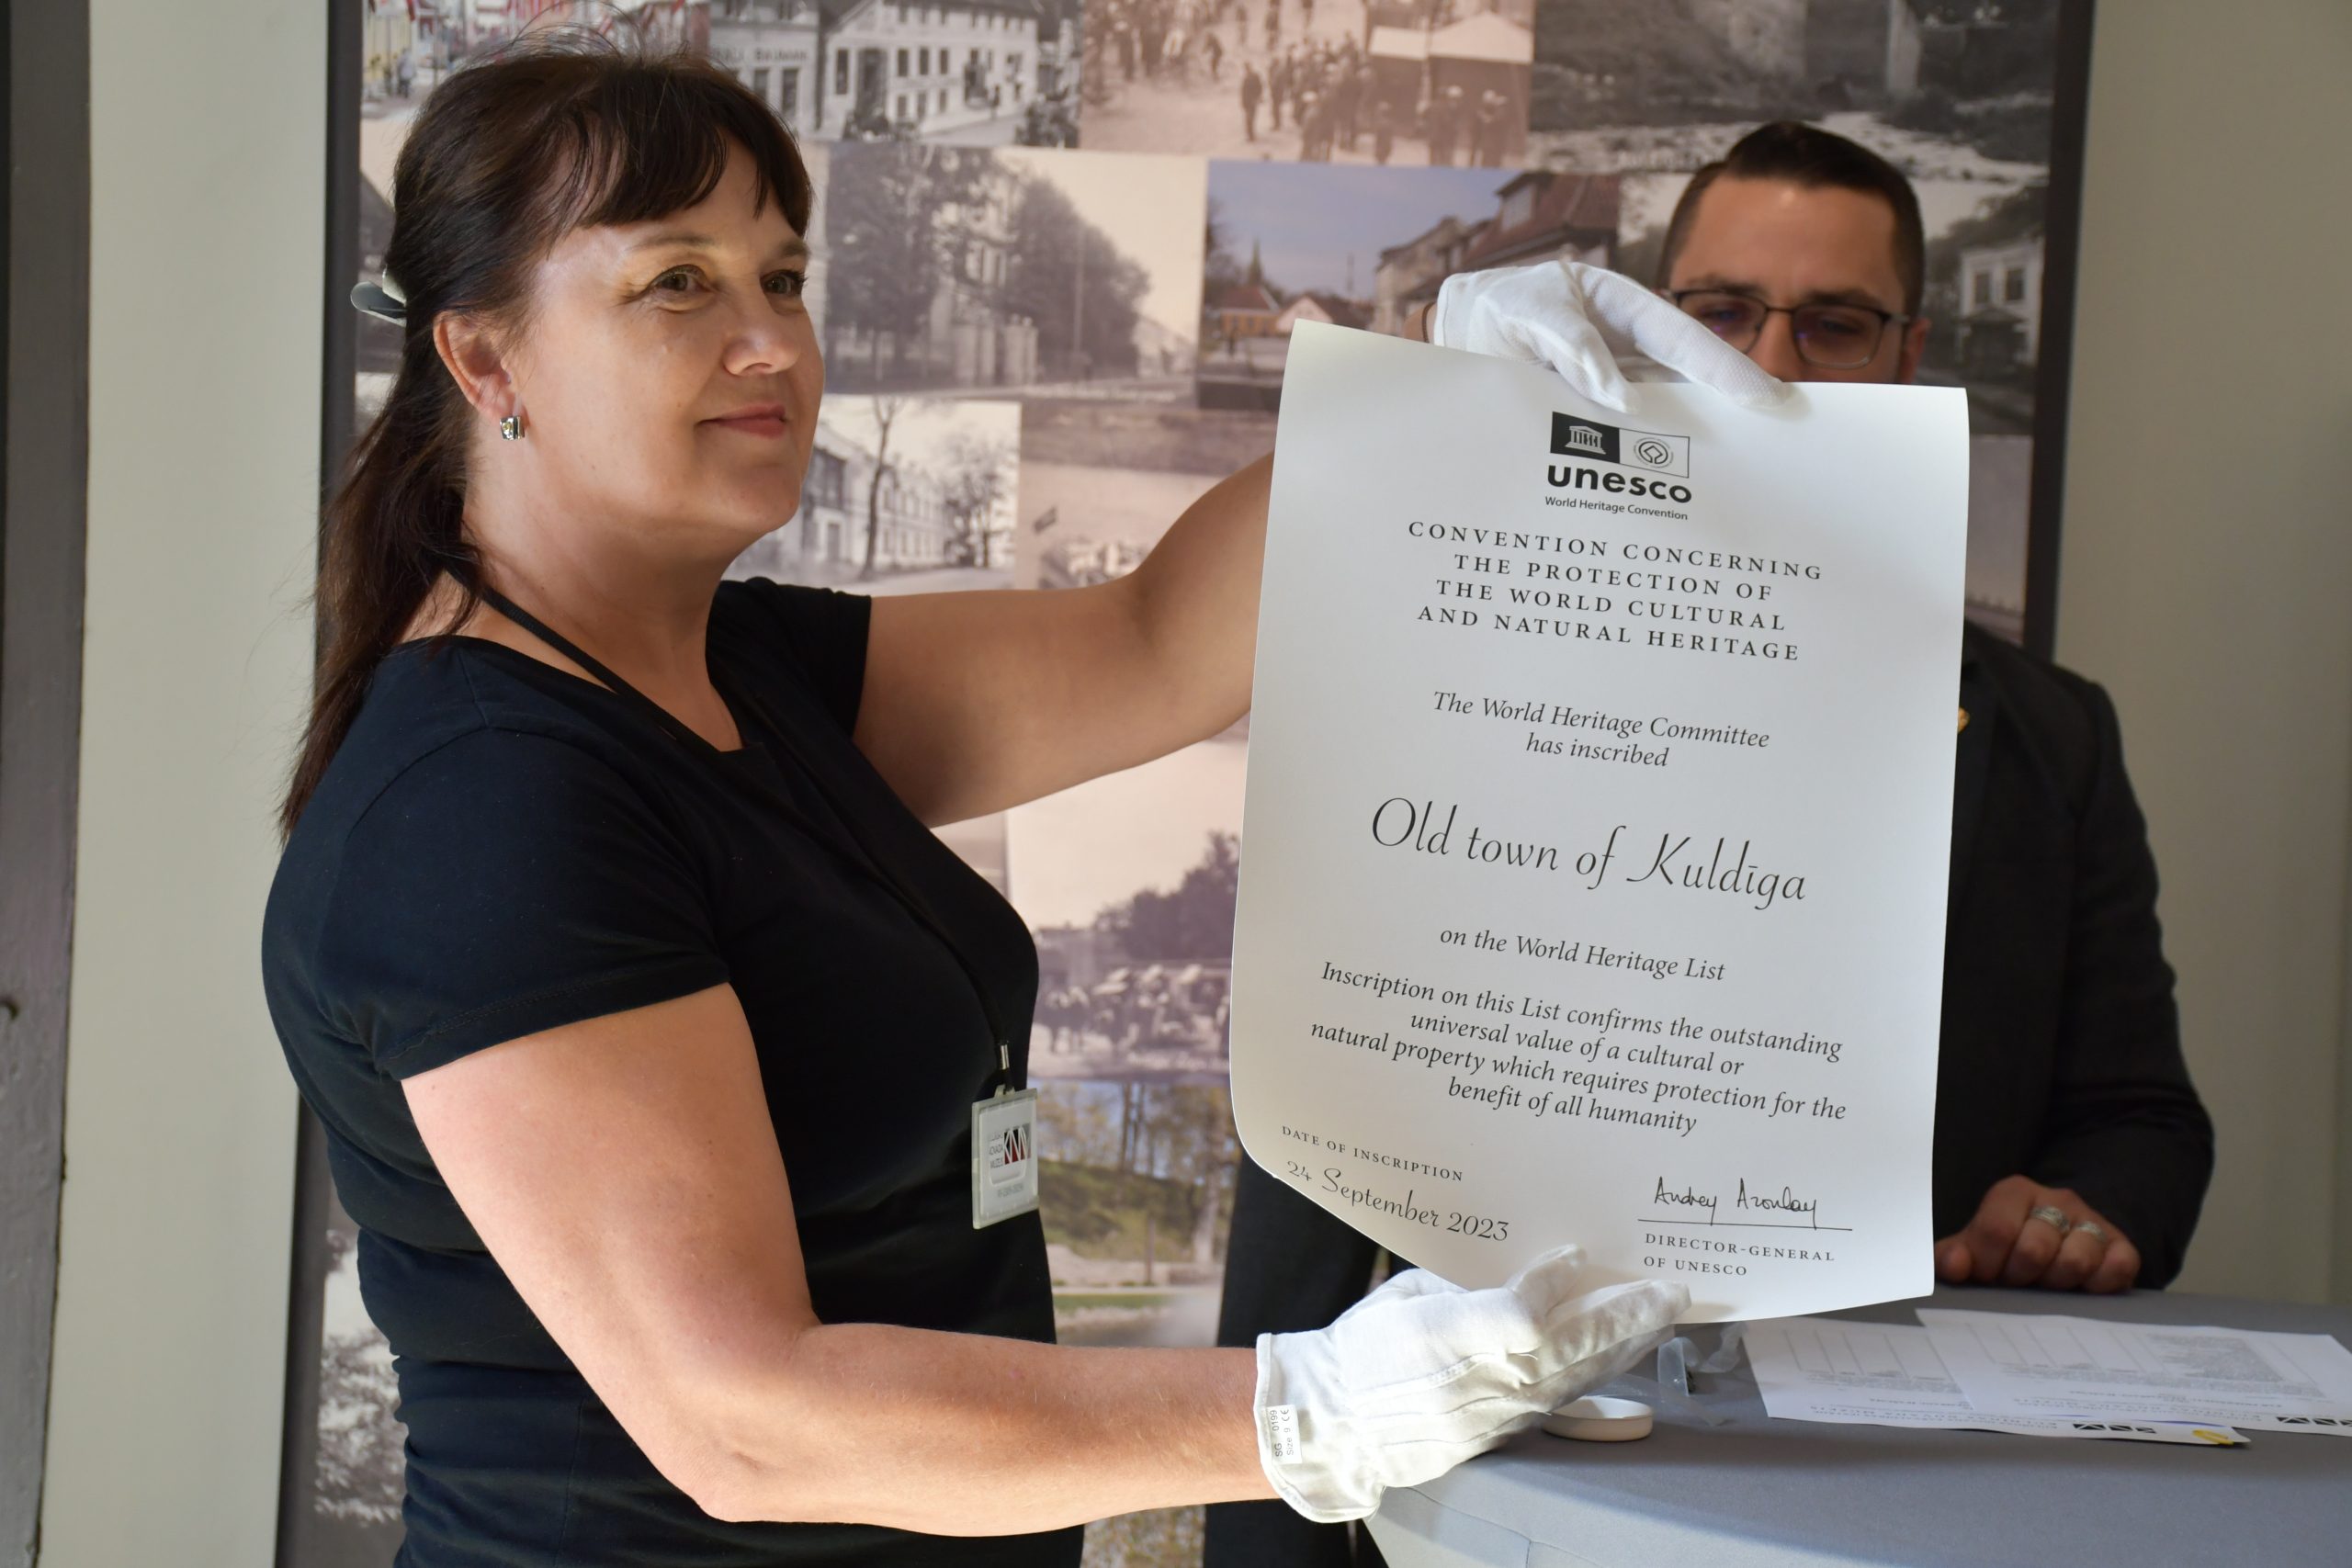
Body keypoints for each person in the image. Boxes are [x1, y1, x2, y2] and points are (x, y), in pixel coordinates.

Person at [271, 34, 1771, 1567]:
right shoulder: (482, 810)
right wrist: (1307, 1410)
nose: (770, 342)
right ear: (486, 361)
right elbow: (741, 1417)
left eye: (781, 278)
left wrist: (1431, 381)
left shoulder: (742, 669)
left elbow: (1156, 640)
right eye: (677, 283)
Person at [1205, 120, 2214, 1568]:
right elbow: (1326, 1145)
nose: (1772, 364)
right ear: (1646, 319)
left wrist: (2075, 1211)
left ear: (1910, 353)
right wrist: (1262, 1530)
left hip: (1888, 1494)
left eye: (1835, 324)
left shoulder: (2054, 736)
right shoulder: (1447, 672)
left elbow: (2145, 1121)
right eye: (1724, 313)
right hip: (1497, 1488)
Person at [1239, 60, 1263, 141]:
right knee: (1251, 119)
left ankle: (1251, 136)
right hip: (1251, 101)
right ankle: (1251, 135)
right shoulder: (1254, 76)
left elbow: (1245, 91)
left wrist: (1257, 97)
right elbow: (1260, 87)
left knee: (1249, 119)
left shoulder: (1249, 77)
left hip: (1250, 101)